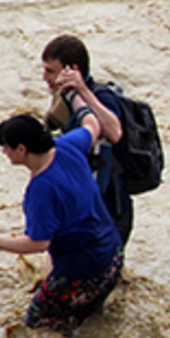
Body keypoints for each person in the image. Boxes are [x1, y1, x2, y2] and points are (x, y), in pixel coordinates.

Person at [0, 114, 124, 333]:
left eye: (6, 147)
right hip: (113, 258)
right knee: (87, 321)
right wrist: (79, 92)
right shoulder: (68, 145)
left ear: (22, 150)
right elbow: (92, 123)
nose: (4, 153)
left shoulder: (40, 189)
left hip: (83, 275)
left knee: (33, 332)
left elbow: (38, 243)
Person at [41, 35, 133, 247]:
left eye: (50, 71)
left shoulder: (102, 96)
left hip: (111, 204)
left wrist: (83, 91)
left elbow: (114, 132)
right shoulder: (63, 95)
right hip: (81, 200)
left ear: (73, 70)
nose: (45, 77)